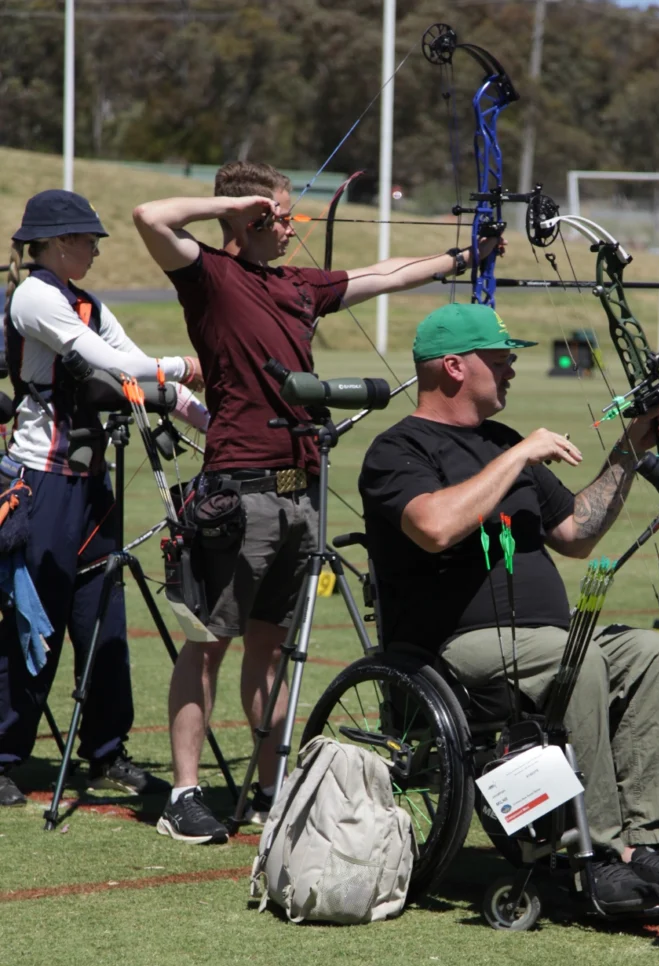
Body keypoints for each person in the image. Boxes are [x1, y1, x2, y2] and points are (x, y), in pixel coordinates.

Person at [133, 160, 502, 844]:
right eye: (275, 217)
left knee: (270, 650)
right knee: (207, 642)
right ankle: (183, 797)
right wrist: (232, 206)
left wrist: (464, 254)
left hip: (299, 493)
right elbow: (150, 217)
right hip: (236, 489)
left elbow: (386, 274)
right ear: (240, 217)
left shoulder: (300, 286)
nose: (287, 228)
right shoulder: (210, 278)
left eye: (288, 215)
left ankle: (270, 787)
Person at [358, 302, 659, 913]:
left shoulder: (500, 439)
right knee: (574, 665)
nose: (513, 369)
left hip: (544, 637)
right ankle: (594, 851)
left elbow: (578, 531)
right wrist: (517, 458)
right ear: (454, 367)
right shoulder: (398, 449)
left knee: (653, 652)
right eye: (501, 360)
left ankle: (645, 843)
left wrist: (631, 446)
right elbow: (435, 527)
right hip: (449, 649)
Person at [0, 189, 208, 807]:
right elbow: (103, 360)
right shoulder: (35, 295)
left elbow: (129, 367)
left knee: (102, 622)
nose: (93, 249)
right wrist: (180, 366)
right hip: (40, 485)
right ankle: (6, 755)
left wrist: (215, 431)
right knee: (33, 623)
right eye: (87, 240)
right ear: (58, 243)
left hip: (92, 486)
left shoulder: (86, 301)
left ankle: (106, 752)